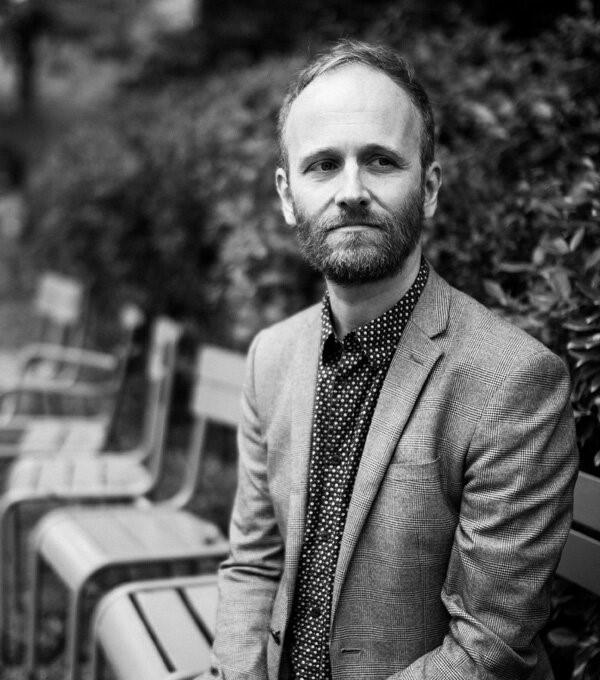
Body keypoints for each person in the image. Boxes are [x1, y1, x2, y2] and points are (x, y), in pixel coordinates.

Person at [203, 39, 578, 679]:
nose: (351, 191)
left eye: (380, 161)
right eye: (323, 165)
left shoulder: (513, 383)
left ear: (427, 188)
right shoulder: (271, 357)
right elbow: (254, 563)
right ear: (288, 195)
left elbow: (488, 648)